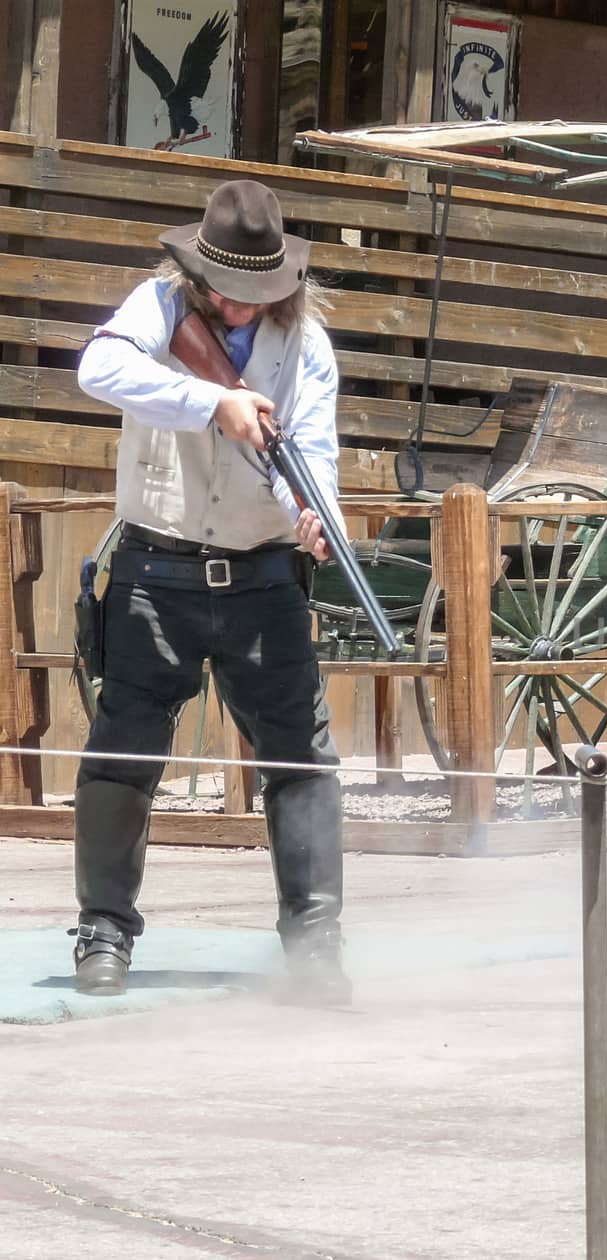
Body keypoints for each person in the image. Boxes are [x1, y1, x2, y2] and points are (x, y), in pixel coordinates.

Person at [72, 179, 350, 1005]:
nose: (243, 307)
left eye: (260, 292)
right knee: (123, 755)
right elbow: (98, 368)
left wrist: (320, 516)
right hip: (155, 569)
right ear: (199, 277)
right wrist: (212, 401)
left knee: (301, 762)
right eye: (231, 292)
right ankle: (104, 933)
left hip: (264, 573)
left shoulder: (308, 344)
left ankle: (315, 945)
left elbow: (316, 449)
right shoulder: (156, 307)